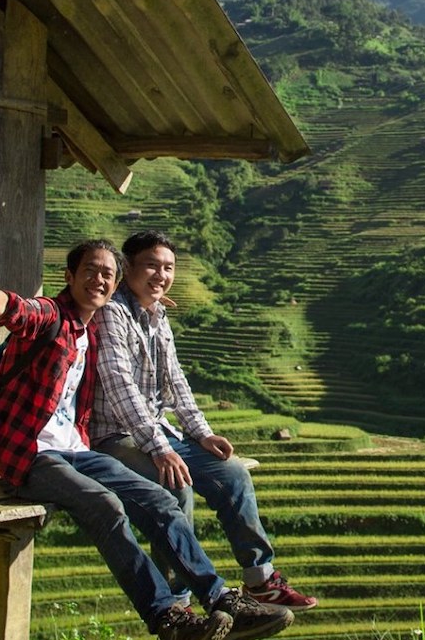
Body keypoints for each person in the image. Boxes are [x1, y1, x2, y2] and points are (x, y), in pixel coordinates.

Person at [0, 238, 291, 640]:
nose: (98, 280)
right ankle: (168, 620)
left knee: (160, 500)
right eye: (90, 270)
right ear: (69, 276)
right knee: (106, 505)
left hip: (74, 448)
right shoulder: (53, 316)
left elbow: (157, 352)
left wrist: (152, 301)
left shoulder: (99, 324)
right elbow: (12, 308)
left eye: (107, 273)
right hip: (26, 453)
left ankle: (223, 601)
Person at [91, 229, 318, 611]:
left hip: (158, 431)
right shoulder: (112, 313)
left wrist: (202, 433)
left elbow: (176, 380)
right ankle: (180, 606)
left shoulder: (158, 314)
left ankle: (260, 579)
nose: (161, 275)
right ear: (127, 267)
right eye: (151, 265)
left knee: (232, 473)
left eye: (168, 267)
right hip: (115, 435)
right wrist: (161, 450)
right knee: (175, 488)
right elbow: (119, 387)